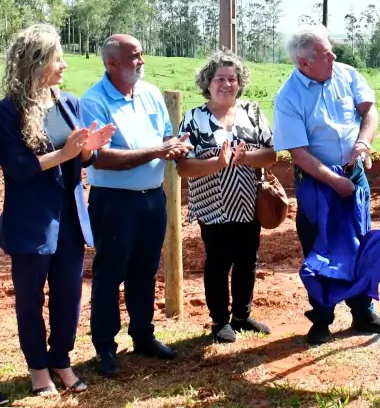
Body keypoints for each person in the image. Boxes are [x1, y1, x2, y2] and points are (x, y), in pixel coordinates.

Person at [0, 24, 115, 395]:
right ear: (36, 63)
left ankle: (61, 360)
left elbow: (81, 159)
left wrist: (88, 150)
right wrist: (66, 153)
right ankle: (38, 369)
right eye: (57, 58)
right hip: (31, 222)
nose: (64, 65)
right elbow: (17, 168)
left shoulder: (69, 103)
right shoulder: (8, 111)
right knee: (30, 300)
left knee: (69, 296)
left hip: (70, 219)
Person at [273, 24, 380, 345]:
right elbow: (298, 153)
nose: (334, 57)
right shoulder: (288, 97)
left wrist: (363, 144)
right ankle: (322, 318)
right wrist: (334, 181)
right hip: (317, 182)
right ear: (304, 63)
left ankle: (363, 311)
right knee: (320, 247)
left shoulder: (347, 74)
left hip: (354, 175)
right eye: (326, 54)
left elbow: (369, 111)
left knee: (360, 242)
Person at [80, 34, 193, 376]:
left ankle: (143, 335)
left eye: (141, 54)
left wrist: (176, 146)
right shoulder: (93, 101)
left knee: (145, 270)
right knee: (109, 273)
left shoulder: (150, 93)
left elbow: (166, 137)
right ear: (112, 63)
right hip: (114, 202)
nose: (142, 61)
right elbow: (101, 158)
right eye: (135, 56)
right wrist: (159, 150)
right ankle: (105, 347)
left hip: (152, 198)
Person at [176, 50, 277, 343]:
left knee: (247, 259)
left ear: (240, 83)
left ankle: (242, 316)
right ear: (208, 82)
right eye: (220, 78)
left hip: (249, 202)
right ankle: (220, 321)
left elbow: (271, 154)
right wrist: (218, 163)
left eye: (232, 79)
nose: (226, 84)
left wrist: (245, 159)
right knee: (218, 261)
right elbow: (182, 167)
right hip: (212, 204)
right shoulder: (193, 119)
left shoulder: (253, 112)